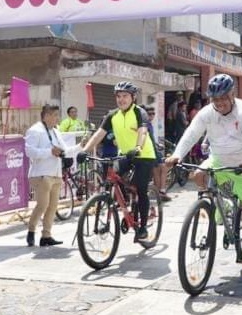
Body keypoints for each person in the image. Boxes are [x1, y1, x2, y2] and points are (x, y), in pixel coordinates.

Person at [165, 73, 242, 266]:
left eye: (223, 98)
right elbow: (191, 133)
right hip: (217, 160)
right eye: (215, 99)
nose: (219, 103)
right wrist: (177, 155)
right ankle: (221, 204)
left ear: (232, 94)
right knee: (199, 175)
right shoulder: (207, 112)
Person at [83, 81, 157, 241]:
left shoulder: (139, 112)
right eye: (118, 96)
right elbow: (98, 134)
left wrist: (138, 147)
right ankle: (125, 205)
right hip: (124, 154)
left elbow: (143, 131)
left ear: (133, 97)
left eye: (125, 96)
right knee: (112, 177)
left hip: (144, 155)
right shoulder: (112, 115)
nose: (121, 99)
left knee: (141, 188)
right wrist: (85, 151)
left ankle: (143, 227)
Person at [24, 104, 81, 247]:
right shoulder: (35, 130)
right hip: (41, 174)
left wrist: (81, 146)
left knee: (53, 206)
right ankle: (31, 231)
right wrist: (49, 152)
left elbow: (65, 151)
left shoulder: (55, 131)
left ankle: (46, 236)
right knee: (43, 205)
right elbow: (29, 152)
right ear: (47, 116)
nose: (57, 118)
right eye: (55, 115)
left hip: (55, 173)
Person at [144, 104, 172, 202]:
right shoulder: (146, 124)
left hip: (153, 149)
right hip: (150, 151)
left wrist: (156, 144)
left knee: (158, 170)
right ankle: (161, 191)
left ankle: (160, 192)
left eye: (153, 113)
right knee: (162, 169)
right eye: (149, 113)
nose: (152, 115)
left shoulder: (149, 124)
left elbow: (150, 138)